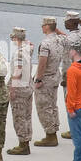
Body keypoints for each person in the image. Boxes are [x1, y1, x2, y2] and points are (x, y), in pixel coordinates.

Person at [33, 17, 62, 147]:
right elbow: (66, 36)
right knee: (53, 105)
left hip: (46, 78)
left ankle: (50, 135)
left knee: (44, 107)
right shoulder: (60, 40)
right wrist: (57, 30)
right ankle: (54, 130)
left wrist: (38, 78)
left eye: (43, 25)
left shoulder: (45, 44)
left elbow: (42, 62)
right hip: (55, 75)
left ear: (46, 27)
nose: (41, 27)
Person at [6, 26, 33, 155]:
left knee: (19, 117)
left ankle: (23, 144)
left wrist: (12, 89)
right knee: (27, 116)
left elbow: (17, 72)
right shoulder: (28, 49)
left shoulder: (19, 53)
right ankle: (26, 140)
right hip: (28, 87)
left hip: (20, 89)